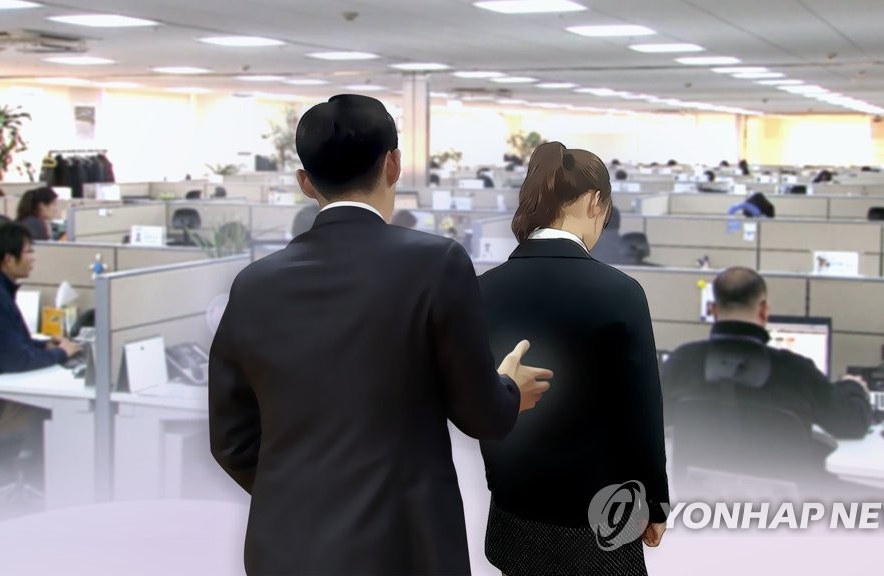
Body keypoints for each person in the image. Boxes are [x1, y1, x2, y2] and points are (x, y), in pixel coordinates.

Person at [208, 94, 552, 575]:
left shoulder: (253, 284)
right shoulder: (437, 263)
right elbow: (481, 414)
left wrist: (297, 497)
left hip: (286, 547)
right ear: (393, 164)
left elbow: (231, 440)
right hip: (403, 546)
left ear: (305, 182)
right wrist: (510, 388)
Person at [478, 142, 669, 576]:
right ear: (596, 202)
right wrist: (655, 501)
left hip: (513, 507)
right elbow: (641, 412)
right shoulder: (620, 293)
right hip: (599, 517)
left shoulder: (482, 288)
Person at [662, 267, 871, 483]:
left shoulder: (682, 361)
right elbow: (852, 424)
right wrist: (852, 386)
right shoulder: (796, 370)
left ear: (713, 310)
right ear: (763, 310)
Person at [0, 222, 82, 436]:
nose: (33, 258)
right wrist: (61, 353)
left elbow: (10, 341)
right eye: (28, 251)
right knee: (75, 413)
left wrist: (44, 345)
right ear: (8, 260)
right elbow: (18, 361)